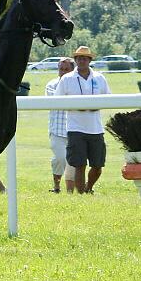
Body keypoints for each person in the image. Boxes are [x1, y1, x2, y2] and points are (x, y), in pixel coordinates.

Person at [54, 46, 111, 194]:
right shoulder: (67, 79)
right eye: (79, 58)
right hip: (75, 128)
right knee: (79, 165)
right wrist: (75, 107)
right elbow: (57, 101)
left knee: (98, 165)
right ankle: (81, 194)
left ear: (90, 60)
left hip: (96, 128)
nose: (82, 61)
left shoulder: (99, 78)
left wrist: (96, 107)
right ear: (75, 60)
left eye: (85, 58)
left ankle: (89, 187)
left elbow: (109, 99)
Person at [45, 57, 76, 193]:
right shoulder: (51, 85)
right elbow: (58, 102)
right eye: (61, 69)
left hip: (75, 128)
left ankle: (67, 189)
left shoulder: (77, 84)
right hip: (57, 130)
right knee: (61, 159)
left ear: (72, 70)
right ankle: (59, 186)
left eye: (66, 69)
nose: (63, 72)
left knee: (72, 161)